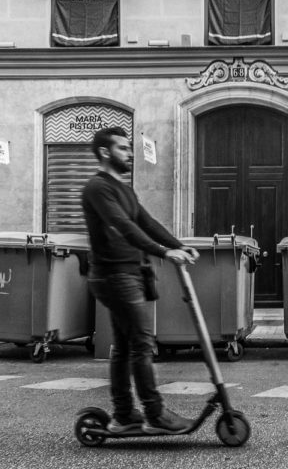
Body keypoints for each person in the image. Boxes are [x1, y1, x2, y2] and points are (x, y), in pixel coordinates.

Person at [82, 126, 200, 435]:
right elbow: (122, 226)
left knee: (124, 346)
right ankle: (155, 413)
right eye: (123, 148)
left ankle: (124, 414)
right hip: (114, 276)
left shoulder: (124, 189)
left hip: (129, 274)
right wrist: (164, 252)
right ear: (105, 152)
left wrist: (177, 245)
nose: (129, 153)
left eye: (129, 147)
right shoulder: (97, 188)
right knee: (142, 344)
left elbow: (145, 222)